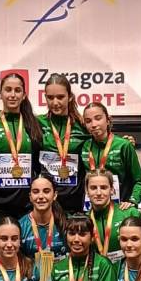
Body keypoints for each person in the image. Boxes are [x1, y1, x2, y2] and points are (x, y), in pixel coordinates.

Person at [0, 71, 42, 219]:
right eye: (8, 90)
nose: (13, 95)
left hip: (27, 206)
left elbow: (37, 165)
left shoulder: (34, 125)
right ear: (0, 94)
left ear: (24, 95)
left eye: (17, 90)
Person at [86, 170, 141, 264]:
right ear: (87, 191)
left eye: (103, 187)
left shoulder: (129, 213)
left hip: (127, 271)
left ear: (112, 190)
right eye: (93, 188)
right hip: (98, 271)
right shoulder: (85, 220)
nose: (98, 193)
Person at [38, 74, 89, 212]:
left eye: (60, 97)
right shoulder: (37, 123)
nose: (55, 102)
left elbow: (103, 140)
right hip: (46, 201)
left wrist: (125, 140)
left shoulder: (82, 125)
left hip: (75, 202)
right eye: (50, 97)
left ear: (70, 96)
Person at [81, 103, 141, 208]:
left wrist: (133, 201)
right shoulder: (84, 146)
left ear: (108, 120)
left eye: (98, 118)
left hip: (119, 208)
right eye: (88, 121)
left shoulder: (124, 146)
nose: (93, 124)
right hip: (92, 209)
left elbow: (139, 181)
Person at [18, 175, 66, 258]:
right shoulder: (20, 227)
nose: (40, 196)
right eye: (36, 192)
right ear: (30, 197)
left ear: (55, 195)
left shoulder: (65, 224)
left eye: (46, 191)